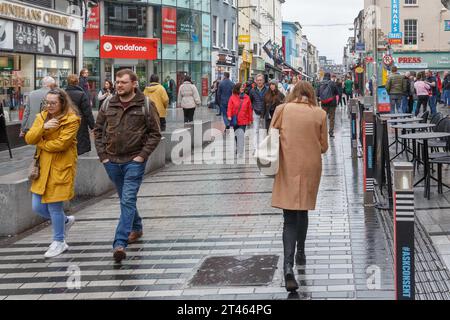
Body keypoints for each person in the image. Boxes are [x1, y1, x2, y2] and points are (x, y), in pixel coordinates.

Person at [94, 69, 162, 263]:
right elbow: (98, 131)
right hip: (112, 161)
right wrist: (103, 156)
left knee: (127, 198)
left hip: (134, 160)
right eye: (117, 82)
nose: (119, 85)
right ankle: (137, 227)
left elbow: (155, 133)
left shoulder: (146, 104)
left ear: (134, 84)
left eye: (123, 82)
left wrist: (142, 156)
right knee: (126, 199)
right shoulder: (108, 103)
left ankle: (119, 243)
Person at [270, 81, 329, 292]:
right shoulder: (319, 113)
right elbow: (324, 146)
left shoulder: (282, 109)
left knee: (289, 217)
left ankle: (288, 265)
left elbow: (272, 137)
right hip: (310, 166)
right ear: (311, 94)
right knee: (302, 209)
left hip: (287, 166)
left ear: (294, 93)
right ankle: (301, 252)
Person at [25, 88, 80, 258]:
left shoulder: (72, 119)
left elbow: (60, 145)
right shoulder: (41, 117)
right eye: (46, 102)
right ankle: (64, 221)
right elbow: (29, 138)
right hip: (42, 169)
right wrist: (43, 127)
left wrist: (41, 143)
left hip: (60, 168)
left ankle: (59, 241)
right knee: (37, 206)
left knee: (54, 207)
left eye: (53, 103)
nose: (49, 106)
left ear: (62, 103)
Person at [65, 74, 95, 156]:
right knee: (80, 145)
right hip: (80, 122)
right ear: (77, 82)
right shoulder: (81, 94)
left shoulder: (63, 94)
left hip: (65, 121)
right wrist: (93, 126)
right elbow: (87, 112)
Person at [227, 83, 253, 158]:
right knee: (236, 135)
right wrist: (229, 116)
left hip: (244, 120)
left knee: (241, 135)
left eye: (243, 87)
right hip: (235, 119)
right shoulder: (232, 97)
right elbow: (229, 107)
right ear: (237, 88)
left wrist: (250, 119)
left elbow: (249, 109)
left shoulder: (247, 97)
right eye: (241, 87)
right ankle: (238, 147)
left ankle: (240, 150)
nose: (242, 88)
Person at [249, 74, 268, 152]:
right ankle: (255, 148)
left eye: (261, 80)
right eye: (258, 80)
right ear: (255, 81)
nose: (259, 82)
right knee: (255, 130)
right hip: (256, 112)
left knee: (263, 131)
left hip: (264, 113)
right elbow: (250, 101)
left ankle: (263, 148)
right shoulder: (252, 90)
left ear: (263, 81)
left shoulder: (267, 90)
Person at [317, 73, 339, 138]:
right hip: (332, 103)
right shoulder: (332, 83)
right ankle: (331, 132)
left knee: (323, 118)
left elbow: (317, 94)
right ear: (329, 77)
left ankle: (322, 132)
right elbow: (337, 92)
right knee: (332, 118)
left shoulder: (320, 83)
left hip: (324, 103)